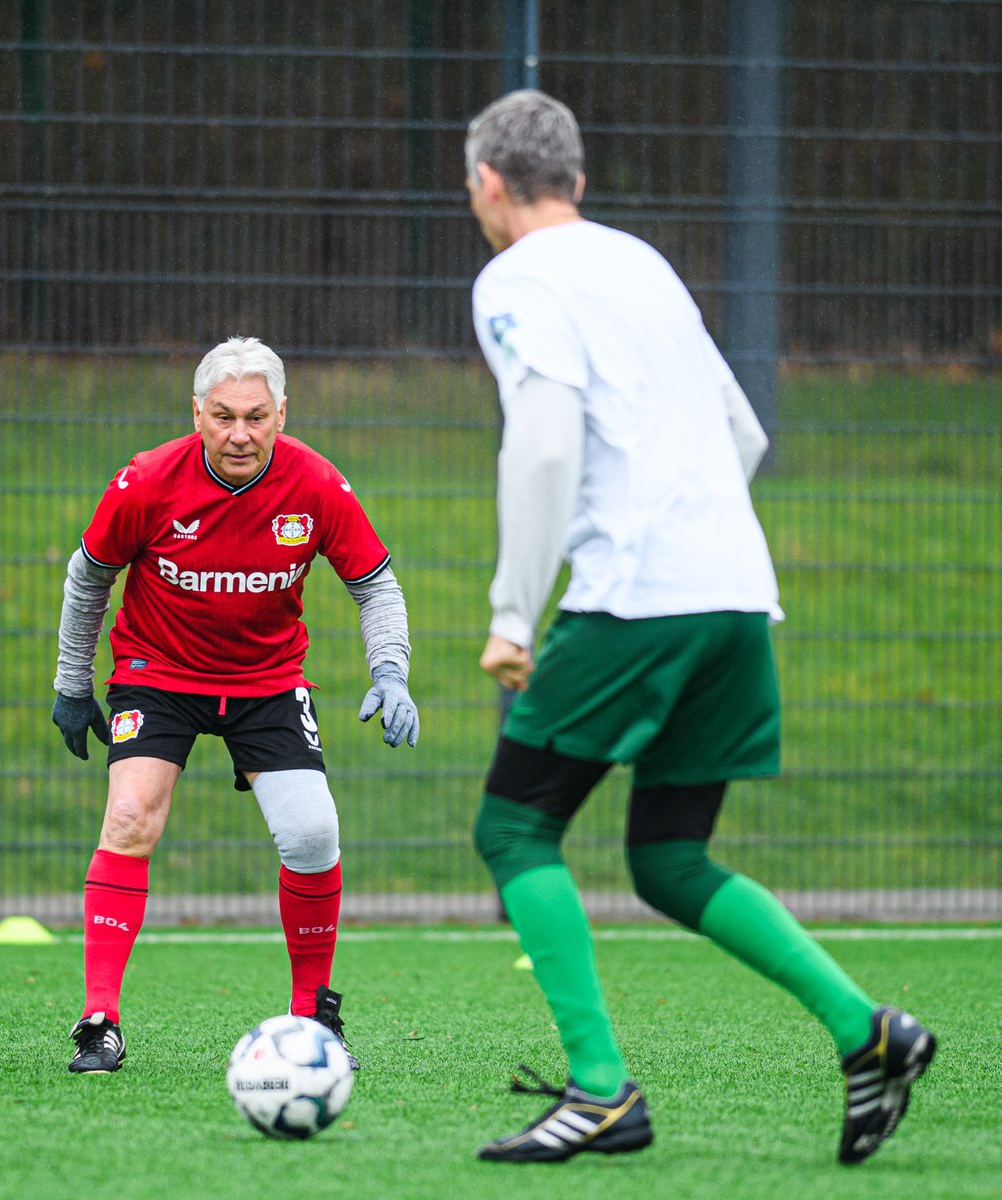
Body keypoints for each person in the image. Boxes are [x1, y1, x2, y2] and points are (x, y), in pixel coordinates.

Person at [464, 90, 935, 1165]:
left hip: (639, 598)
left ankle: (599, 1096)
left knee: (513, 828)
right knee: (668, 856)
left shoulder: (516, 278)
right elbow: (742, 428)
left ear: (487, 184)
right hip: (733, 591)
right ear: (574, 181)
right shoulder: (639, 262)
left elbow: (540, 449)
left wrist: (509, 610)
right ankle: (868, 1036)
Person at [51, 335, 419, 1074]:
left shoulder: (316, 484)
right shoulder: (147, 481)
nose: (239, 434)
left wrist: (391, 670)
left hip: (268, 681)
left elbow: (375, 584)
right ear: (198, 412)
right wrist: (72, 682)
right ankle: (100, 1019)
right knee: (128, 818)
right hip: (159, 673)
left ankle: (313, 1010)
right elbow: (88, 576)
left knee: (314, 834)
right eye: (223, 416)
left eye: (255, 416)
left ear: (281, 414)